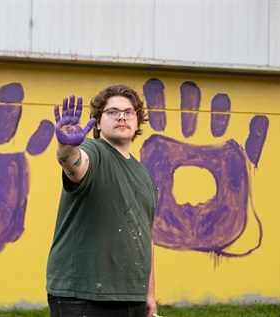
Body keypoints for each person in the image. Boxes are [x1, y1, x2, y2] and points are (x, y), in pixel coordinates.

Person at [46, 84, 159, 317]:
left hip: (132, 297)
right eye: (112, 112)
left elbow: (144, 238)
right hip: (83, 296)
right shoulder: (93, 151)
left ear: (137, 122)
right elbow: (75, 166)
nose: (121, 116)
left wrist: (148, 295)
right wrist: (66, 147)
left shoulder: (145, 176)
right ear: (98, 122)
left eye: (129, 112)